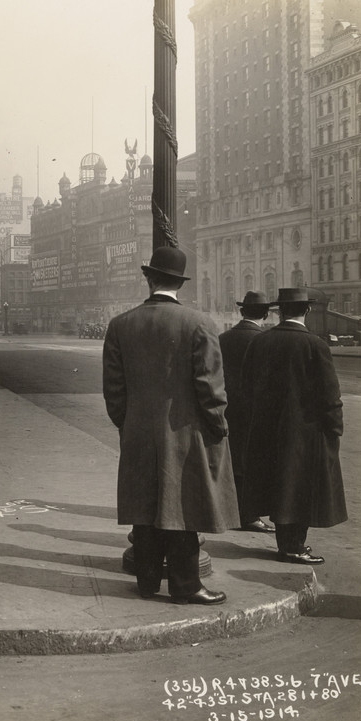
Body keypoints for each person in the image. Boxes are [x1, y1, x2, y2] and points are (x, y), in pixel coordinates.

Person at [102, 246, 239, 605]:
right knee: (183, 509)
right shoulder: (200, 324)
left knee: (145, 507)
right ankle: (186, 585)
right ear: (180, 283)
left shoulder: (120, 325)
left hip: (138, 432)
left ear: (149, 278)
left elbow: (114, 391)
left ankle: (146, 581)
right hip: (185, 431)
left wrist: (129, 424)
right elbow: (210, 387)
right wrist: (217, 425)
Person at [239, 287, 347, 565]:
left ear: (279, 312)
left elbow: (246, 389)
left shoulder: (260, 342)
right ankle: (294, 547)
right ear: (307, 310)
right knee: (299, 490)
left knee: (277, 486)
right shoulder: (315, 345)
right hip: (305, 434)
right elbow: (330, 396)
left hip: (266, 432)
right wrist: (335, 429)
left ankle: (286, 545)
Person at [219, 291, 276, 535]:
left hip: (226, 409)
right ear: (265, 314)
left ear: (242, 312)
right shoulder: (266, 340)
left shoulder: (222, 338)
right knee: (252, 464)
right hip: (255, 413)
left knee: (230, 461)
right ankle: (248, 516)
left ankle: (227, 510)